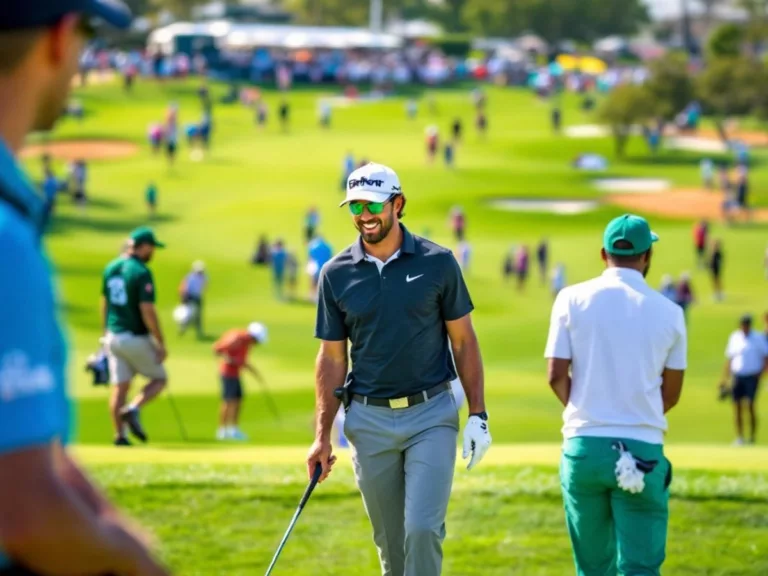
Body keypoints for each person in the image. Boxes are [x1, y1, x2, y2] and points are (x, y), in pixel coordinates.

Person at [0, 2, 170, 575]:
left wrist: (110, 527)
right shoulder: (5, 239)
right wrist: (138, 563)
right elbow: (23, 512)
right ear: (59, 37)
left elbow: (35, 452)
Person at [307, 162, 491, 576]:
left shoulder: (438, 263)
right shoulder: (335, 274)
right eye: (355, 206)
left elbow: (463, 340)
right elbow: (332, 359)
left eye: (373, 204)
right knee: (392, 548)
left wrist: (478, 414)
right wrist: (321, 437)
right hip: (368, 420)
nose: (365, 215)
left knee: (423, 530)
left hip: (431, 414)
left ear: (398, 203)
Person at [545, 213, 687, 576]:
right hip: (642, 450)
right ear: (646, 257)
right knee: (640, 567)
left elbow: (556, 375)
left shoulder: (570, 298)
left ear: (603, 254)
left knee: (592, 569)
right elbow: (671, 394)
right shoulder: (671, 313)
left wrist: (587, 406)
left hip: (583, 451)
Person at [102, 227, 169, 446]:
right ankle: (133, 409)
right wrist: (160, 342)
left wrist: (104, 332)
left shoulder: (111, 267)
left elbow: (105, 304)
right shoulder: (140, 271)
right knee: (159, 379)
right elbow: (147, 310)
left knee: (120, 387)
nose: (153, 253)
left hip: (113, 336)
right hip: (134, 336)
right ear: (145, 247)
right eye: (152, 248)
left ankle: (120, 436)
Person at [212, 322, 268, 441]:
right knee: (228, 401)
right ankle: (222, 431)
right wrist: (231, 361)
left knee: (238, 400)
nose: (256, 344)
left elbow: (243, 361)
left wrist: (255, 373)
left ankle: (233, 430)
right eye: (256, 341)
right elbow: (217, 349)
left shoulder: (246, 343)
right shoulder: (236, 338)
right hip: (227, 373)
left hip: (235, 374)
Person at [720, 314, 768, 445]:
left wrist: (761, 374)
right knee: (737, 407)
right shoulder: (735, 337)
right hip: (738, 376)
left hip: (752, 376)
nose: (744, 327)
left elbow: (765, 358)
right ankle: (740, 437)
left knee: (751, 405)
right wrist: (724, 378)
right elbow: (730, 359)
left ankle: (752, 437)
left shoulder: (758, 338)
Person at [178, 260, 207, 339]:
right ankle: (183, 328)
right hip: (189, 296)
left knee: (198, 315)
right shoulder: (190, 277)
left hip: (197, 297)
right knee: (188, 314)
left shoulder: (204, 276)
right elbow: (183, 287)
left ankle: (199, 331)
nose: (200, 272)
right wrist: (183, 297)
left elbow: (204, 286)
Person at [307, 234, 333, 302]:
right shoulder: (327, 246)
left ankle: (312, 296)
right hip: (325, 267)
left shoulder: (313, 246)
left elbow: (310, 257)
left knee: (313, 281)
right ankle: (322, 297)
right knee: (323, 283)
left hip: (315, 267)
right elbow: (331, 257)